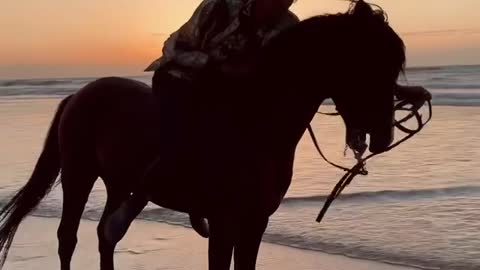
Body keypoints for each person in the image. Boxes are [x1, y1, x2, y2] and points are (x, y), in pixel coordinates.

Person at [105, 0, 432, 243]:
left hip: (234, 85)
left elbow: (319, 68)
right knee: (181, 135)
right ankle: (134, 203)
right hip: (182, 75)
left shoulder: (287, 26)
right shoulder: (218, 8)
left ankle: (214, 202)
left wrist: (396, 89)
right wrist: (219, 67)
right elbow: (175, 47)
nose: (282, 5)